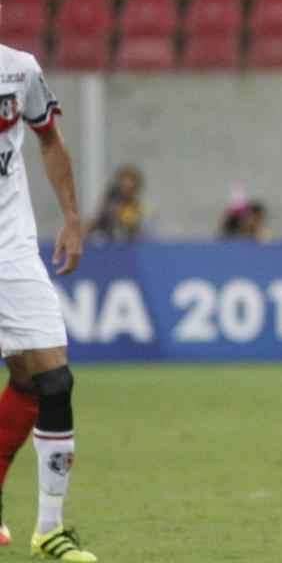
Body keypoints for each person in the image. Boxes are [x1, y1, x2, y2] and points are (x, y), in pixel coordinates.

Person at [0, 42, 94, 560]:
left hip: (11, 251)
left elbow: (50, 140)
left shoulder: (19, 70)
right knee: (24, 380)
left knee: (52, 380)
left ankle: (49, 529)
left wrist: (73, 219)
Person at [85, 165, 145, 242]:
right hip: (106, 235)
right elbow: (101, 219)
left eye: (130, 189)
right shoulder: (111, 200)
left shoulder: (134, 206)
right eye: (124, 187)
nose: (127, 191)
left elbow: (135, 228)